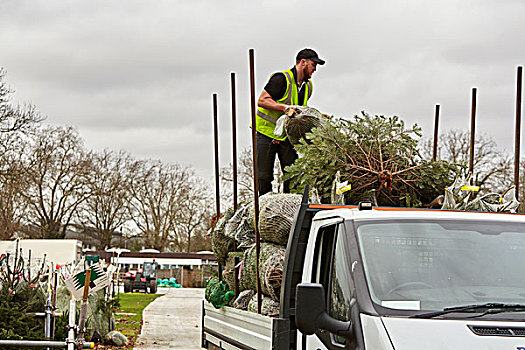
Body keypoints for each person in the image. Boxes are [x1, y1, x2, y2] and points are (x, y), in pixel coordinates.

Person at [255, 48, 325, 196]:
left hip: (287, 136)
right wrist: (284, 108)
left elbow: (300, 109)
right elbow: (262, 101)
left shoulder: (307, 86)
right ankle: (264, 209)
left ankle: (289, 209)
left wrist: (317, 116)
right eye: (313, 65)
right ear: (303, 62)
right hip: (266, 134)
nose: (315, 69)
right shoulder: (281, 79)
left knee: (293, 176)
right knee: (263, 177)